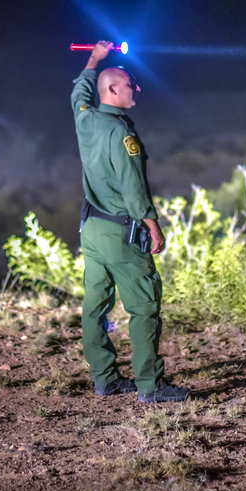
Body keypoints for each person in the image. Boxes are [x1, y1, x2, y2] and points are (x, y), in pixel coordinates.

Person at [70, 40, 190, 403]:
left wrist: (93, 60)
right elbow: (133, 186)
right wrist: (152, 223)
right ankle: (150, 386)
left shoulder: (86, 119)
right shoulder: (122, 134)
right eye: (129, 83)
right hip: (121, 232)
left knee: (95, 305)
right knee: (144, 306)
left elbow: (78, 92)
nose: (136, 87)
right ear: (111, 90)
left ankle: (104, 379)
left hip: (92, 229)